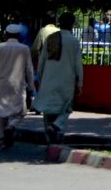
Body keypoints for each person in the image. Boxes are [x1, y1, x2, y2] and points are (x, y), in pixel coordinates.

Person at [33, 12, 83, 144]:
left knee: (48, 110)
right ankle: (56, 126)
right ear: (72, 24)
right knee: (67, 108)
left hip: (48, 80)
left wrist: (41, 78)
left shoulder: (50, 38)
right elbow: (78, 64)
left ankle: (49, 139)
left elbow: (41, 61)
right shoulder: (74, 41)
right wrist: (80, 83)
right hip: (66, 82)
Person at [0, 24, 35, 150]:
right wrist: (32, 87)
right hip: (17, 85)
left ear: (6, 34)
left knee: (1, 113)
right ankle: (11, 126)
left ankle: (2, 139)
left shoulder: (0, 47)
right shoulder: (24, 48)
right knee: (20, 112)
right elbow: (29, 69)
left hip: (1, 84)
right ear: (18, 36)